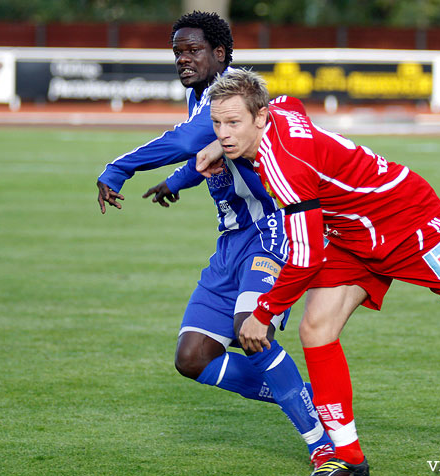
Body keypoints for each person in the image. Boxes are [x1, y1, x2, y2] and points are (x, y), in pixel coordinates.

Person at [196, 68, 440, 476]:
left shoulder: (286, 169)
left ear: (260, 118)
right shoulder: (279, 110)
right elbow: (291, 103)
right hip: (352, 234)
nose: (225, 132)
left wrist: (262, 314)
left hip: (408, 222)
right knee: (316, 329)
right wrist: (219, 144)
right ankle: (349, 460)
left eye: (234, 123)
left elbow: (306, 256)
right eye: (217, 123)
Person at [95, 12, 334, 468]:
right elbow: (209, 151)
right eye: (178, 52)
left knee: (251, 328)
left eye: (194, 50)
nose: (184, 59)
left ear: (220, 53)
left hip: (271, 232)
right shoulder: (198, 95)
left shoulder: (230, 97)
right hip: (230, 243)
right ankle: (306, 399)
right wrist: (178, 182)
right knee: (193, 357)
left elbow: (189, 140)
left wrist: (118, 168)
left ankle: (321, 444)